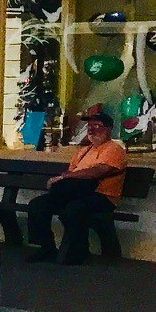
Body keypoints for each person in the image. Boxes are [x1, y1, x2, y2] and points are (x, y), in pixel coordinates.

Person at [25, 108, 129, 265]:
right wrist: (61, 181)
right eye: (89, 126)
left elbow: (97, 171)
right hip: (79, 191)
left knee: (73, 209)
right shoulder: (84, 151)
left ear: (108, 129)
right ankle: (46, 247)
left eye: (97, 125)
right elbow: (72, 171)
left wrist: (65, 177)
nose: (91, 129)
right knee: (38, 205)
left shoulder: (114, 149)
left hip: (102, 196)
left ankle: (79, 250)